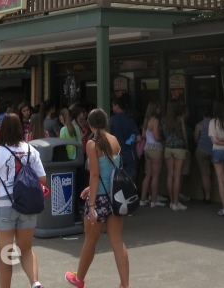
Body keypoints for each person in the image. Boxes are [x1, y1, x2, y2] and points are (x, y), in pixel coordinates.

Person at [66, 108, 130, 288]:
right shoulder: (114, 140)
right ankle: (125, 285)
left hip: (99, 198)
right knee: (117, 241)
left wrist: (91, 204)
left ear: (90, 124)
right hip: (115, 196)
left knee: (90, 240)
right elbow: (110, 172)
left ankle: (79, 279)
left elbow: (95, 175)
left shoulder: (92, 144)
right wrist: (90, 188)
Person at [0, 113, 44, 288]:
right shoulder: (32, 150)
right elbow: (42, 179)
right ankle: (35, 282)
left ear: (2, 130)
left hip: (3, 206)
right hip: (27, 205)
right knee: (26, 249)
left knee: (5, 253)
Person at [160, 99, 187, 212]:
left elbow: (163, 134)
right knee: (177, 175)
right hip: (179, 148)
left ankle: (172, 202)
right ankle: (176, 203)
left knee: (170, 174)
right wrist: (187, 147)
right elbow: (184, 135)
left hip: (168, 148)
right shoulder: (180, 120)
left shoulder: (163, 120)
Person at [109, 97, 140, 188]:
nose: (112, 108)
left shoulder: (111, 121)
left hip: (115, 155)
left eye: (113, 106)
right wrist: (130, 141)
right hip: (128, 154)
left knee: (115, 181)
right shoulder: (130, 121)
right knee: (129, 180)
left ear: (117, 106)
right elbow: (138, 138)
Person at [139, 102, 164, 207]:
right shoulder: (155, 120)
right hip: (155, 148)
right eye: (159, 108)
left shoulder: (146, 120)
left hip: (147, 148)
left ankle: (143, 198)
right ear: (155, 109)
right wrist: (164, 138)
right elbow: (157, 137)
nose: (160, 110)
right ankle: (154, 200)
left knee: (148, 175)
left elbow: (143, 135)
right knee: (155, 176)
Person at [193, 105, 213, 204]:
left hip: (202, 151)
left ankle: (207, 197)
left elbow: (196, 139)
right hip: (213, 151)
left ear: (202, 113)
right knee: (211, 174)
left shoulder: (199, 125)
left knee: (205, 175)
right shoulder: (215, 123)